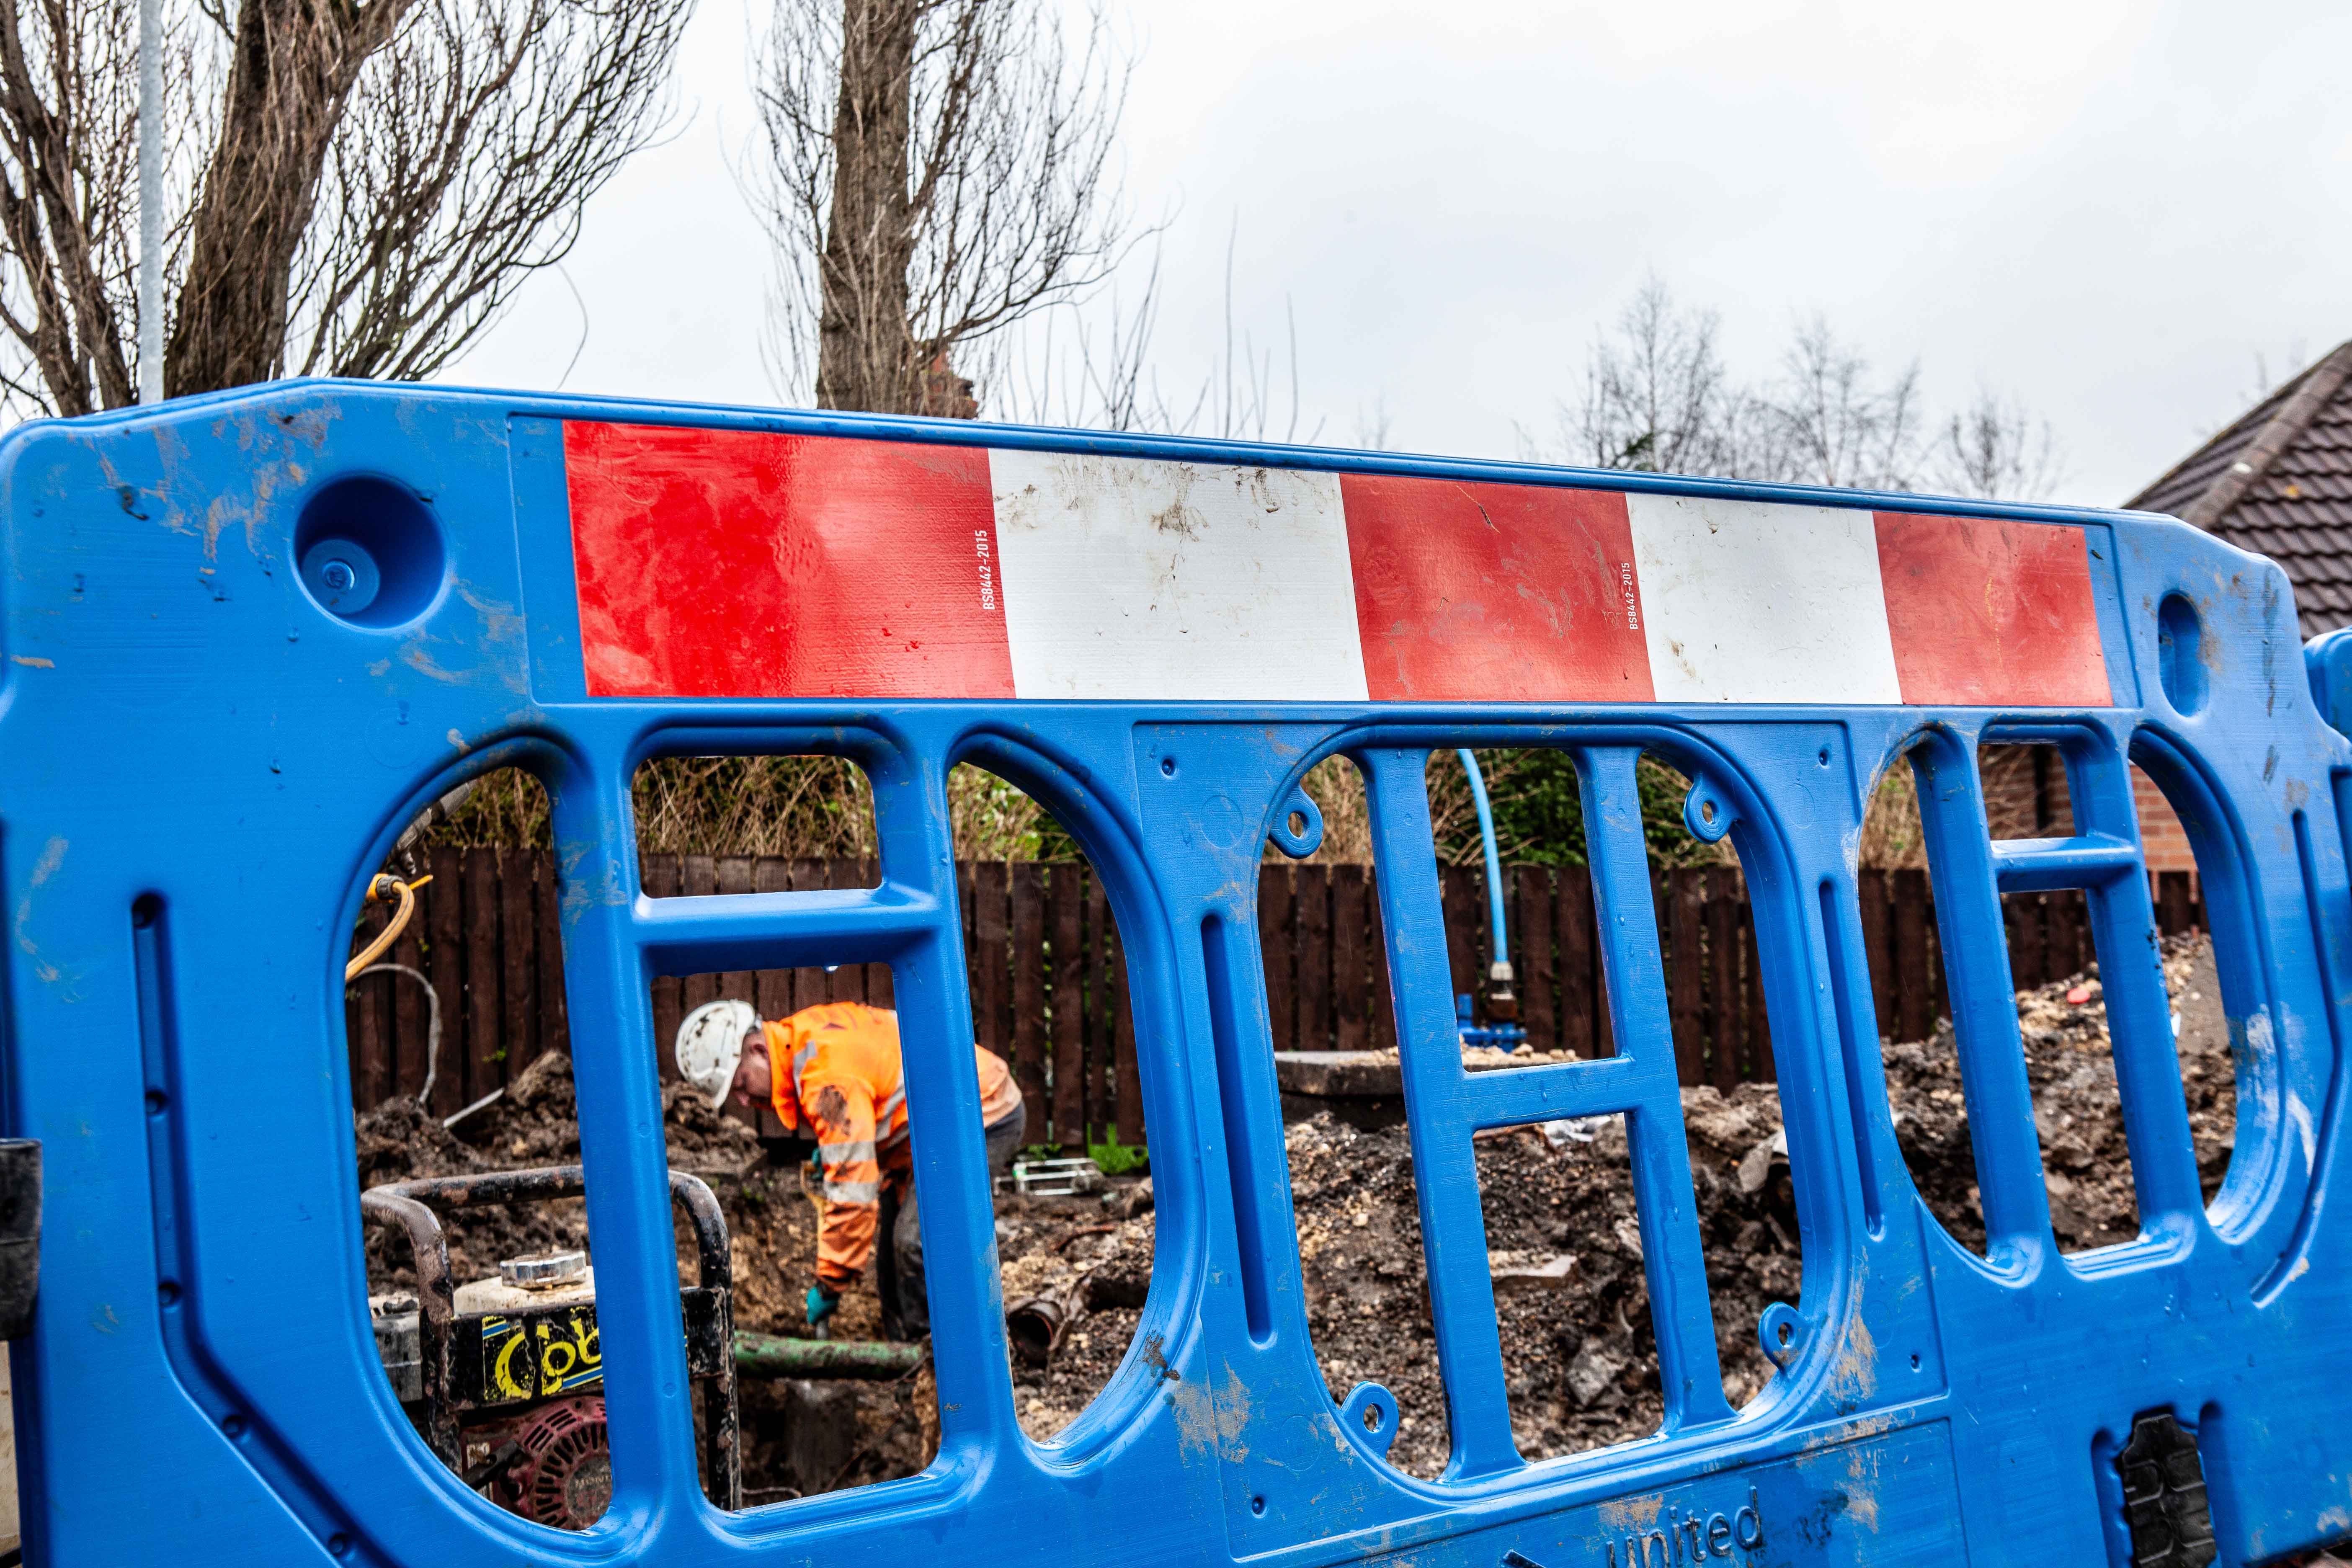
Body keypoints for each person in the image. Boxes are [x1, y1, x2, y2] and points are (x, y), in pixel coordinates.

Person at [676, 999, 1024, 1340]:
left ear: (757, 1051)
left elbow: (854, 1198)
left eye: (741, 1085)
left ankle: (941, 1366)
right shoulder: (800, 1041)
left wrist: (829, 1283)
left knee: (918, 1244)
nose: (744, 1101)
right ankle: (901, 1358)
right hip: (926, 1130)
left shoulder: (825, 1076)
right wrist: (834, 1155)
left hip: (979, 1110)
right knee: (890, 1262)